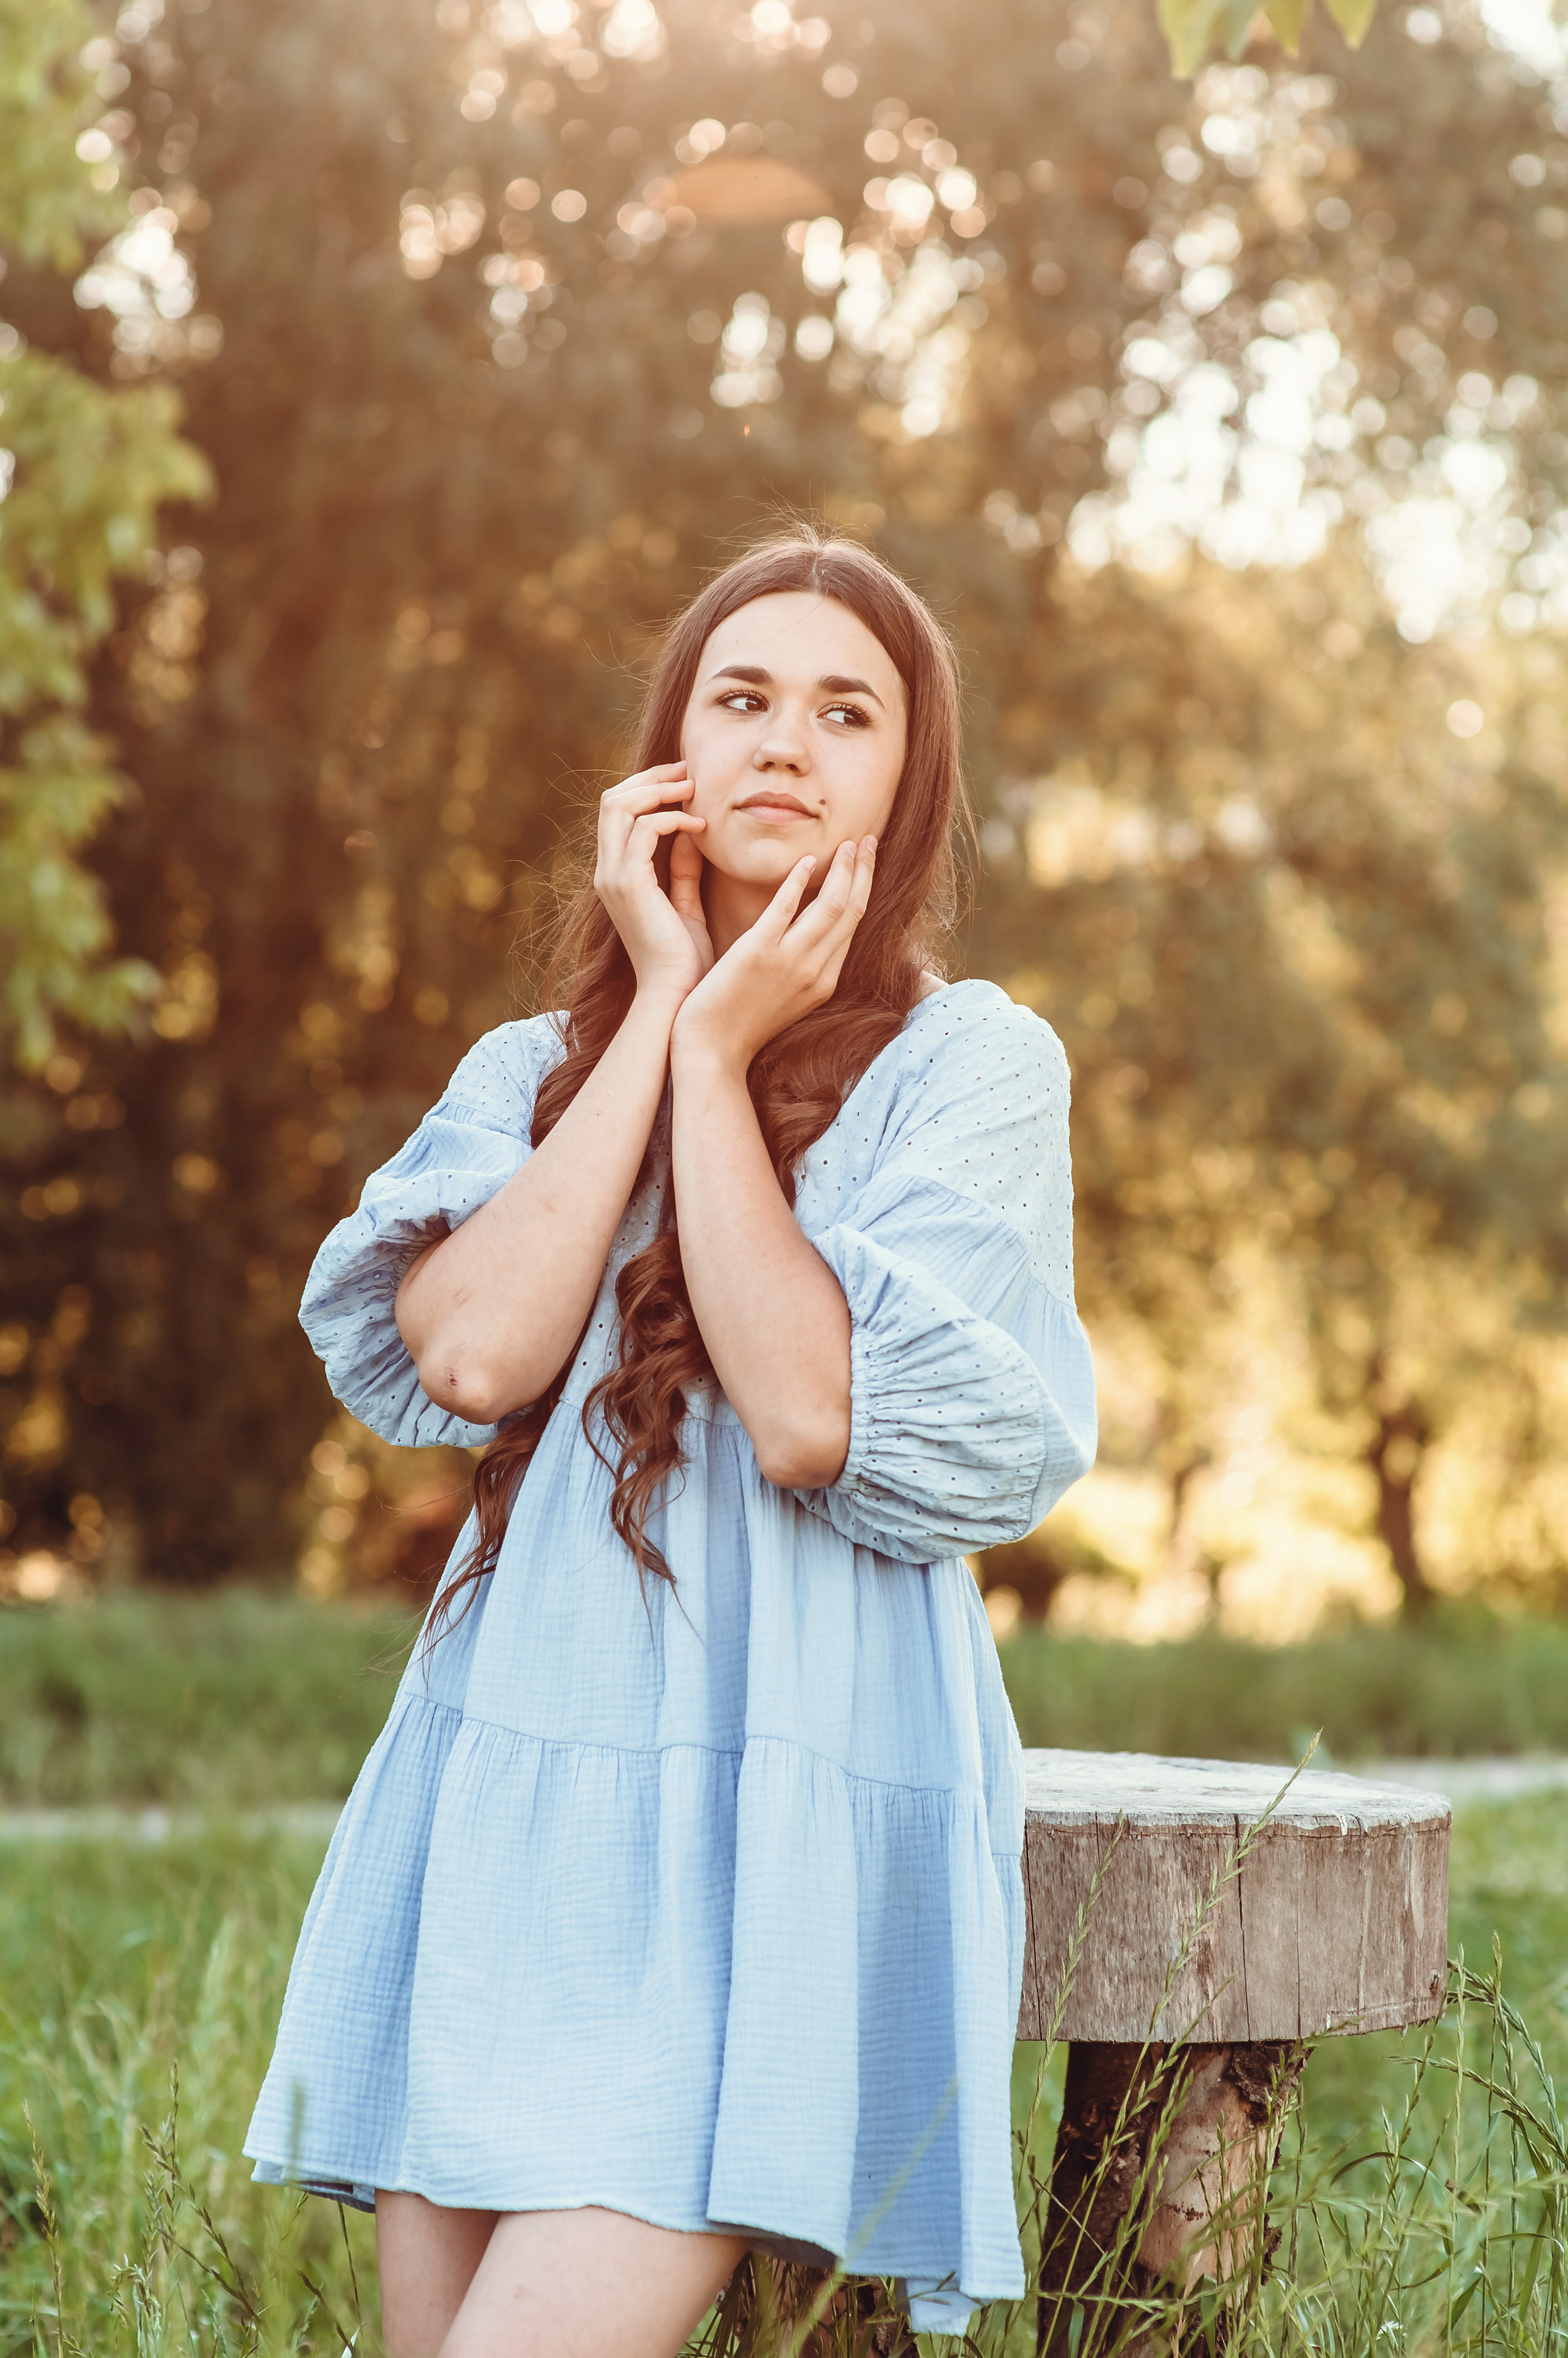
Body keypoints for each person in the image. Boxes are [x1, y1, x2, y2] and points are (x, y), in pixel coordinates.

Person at [244, 529, 1097, 2357]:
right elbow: (472, 1347)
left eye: (845, 710)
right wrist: (657, 1020)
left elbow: (805, 1413)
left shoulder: (975, 1070)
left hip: (761, 1811)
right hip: (514, 1796)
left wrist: (723, 1063)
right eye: (745, 699)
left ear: (908, 777)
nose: (789, 741)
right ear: (672, 765)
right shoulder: (532, 1071)